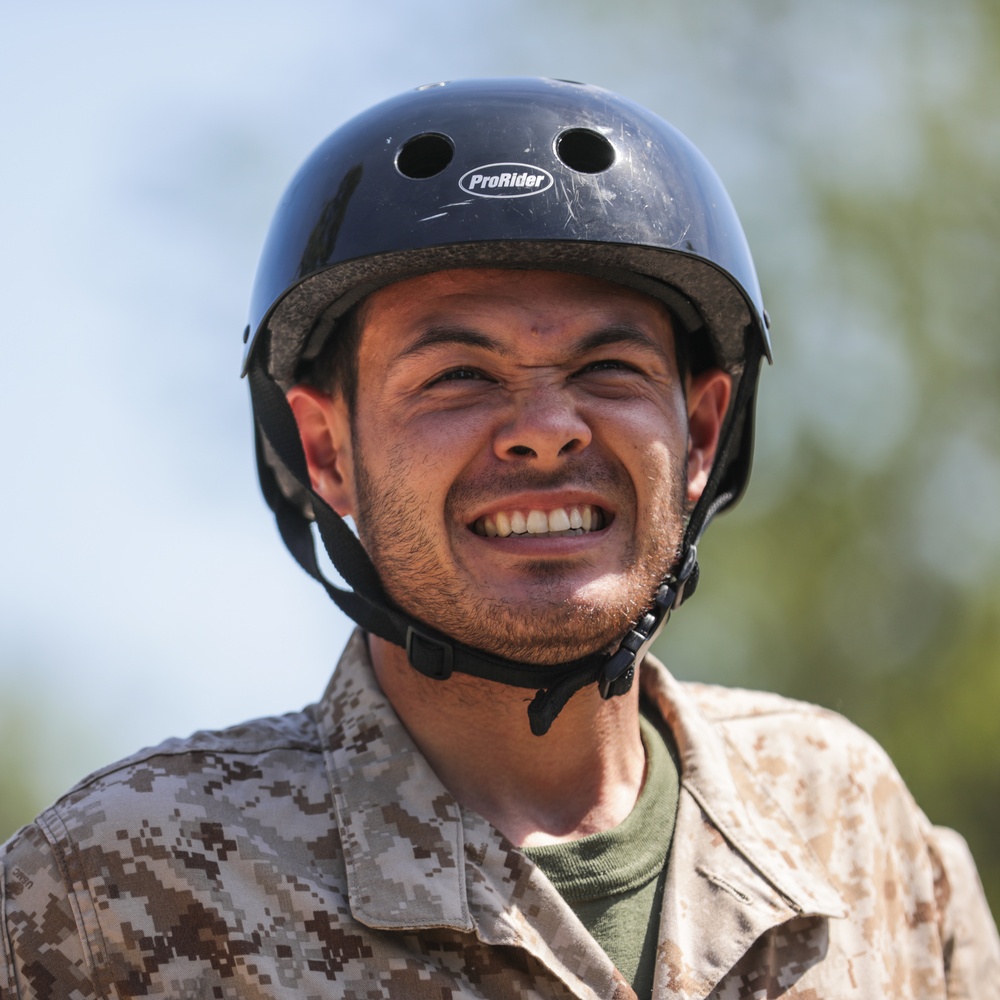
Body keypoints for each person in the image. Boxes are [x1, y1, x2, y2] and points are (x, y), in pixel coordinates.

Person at [1, 77, 997, 1000]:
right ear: (325, 447)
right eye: (457, 377)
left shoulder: (848, 820)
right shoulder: (113, 889)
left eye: (608, 367)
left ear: (698, 433)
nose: (547, 426)